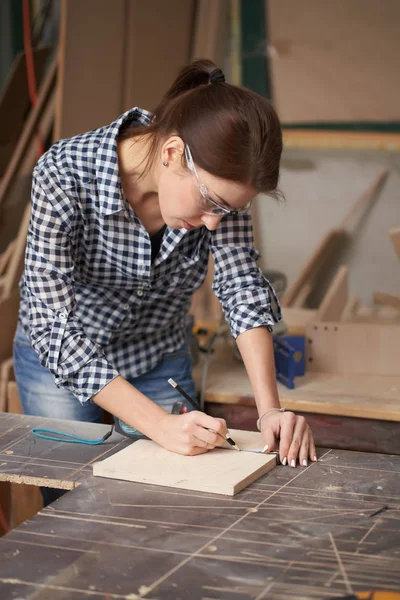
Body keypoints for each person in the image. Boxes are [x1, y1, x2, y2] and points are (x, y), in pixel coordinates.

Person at [14, 59, 316, 495]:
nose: (215, 224)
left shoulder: (221, 182)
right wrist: (158, 424)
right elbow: (52, 326)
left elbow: (241, 286)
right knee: (71, 501)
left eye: (228, 211)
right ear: (173, 153)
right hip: (63, 357)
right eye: (211, 203)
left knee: (166, 501)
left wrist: (269, 411)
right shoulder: (63, 173)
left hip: (157, 355)